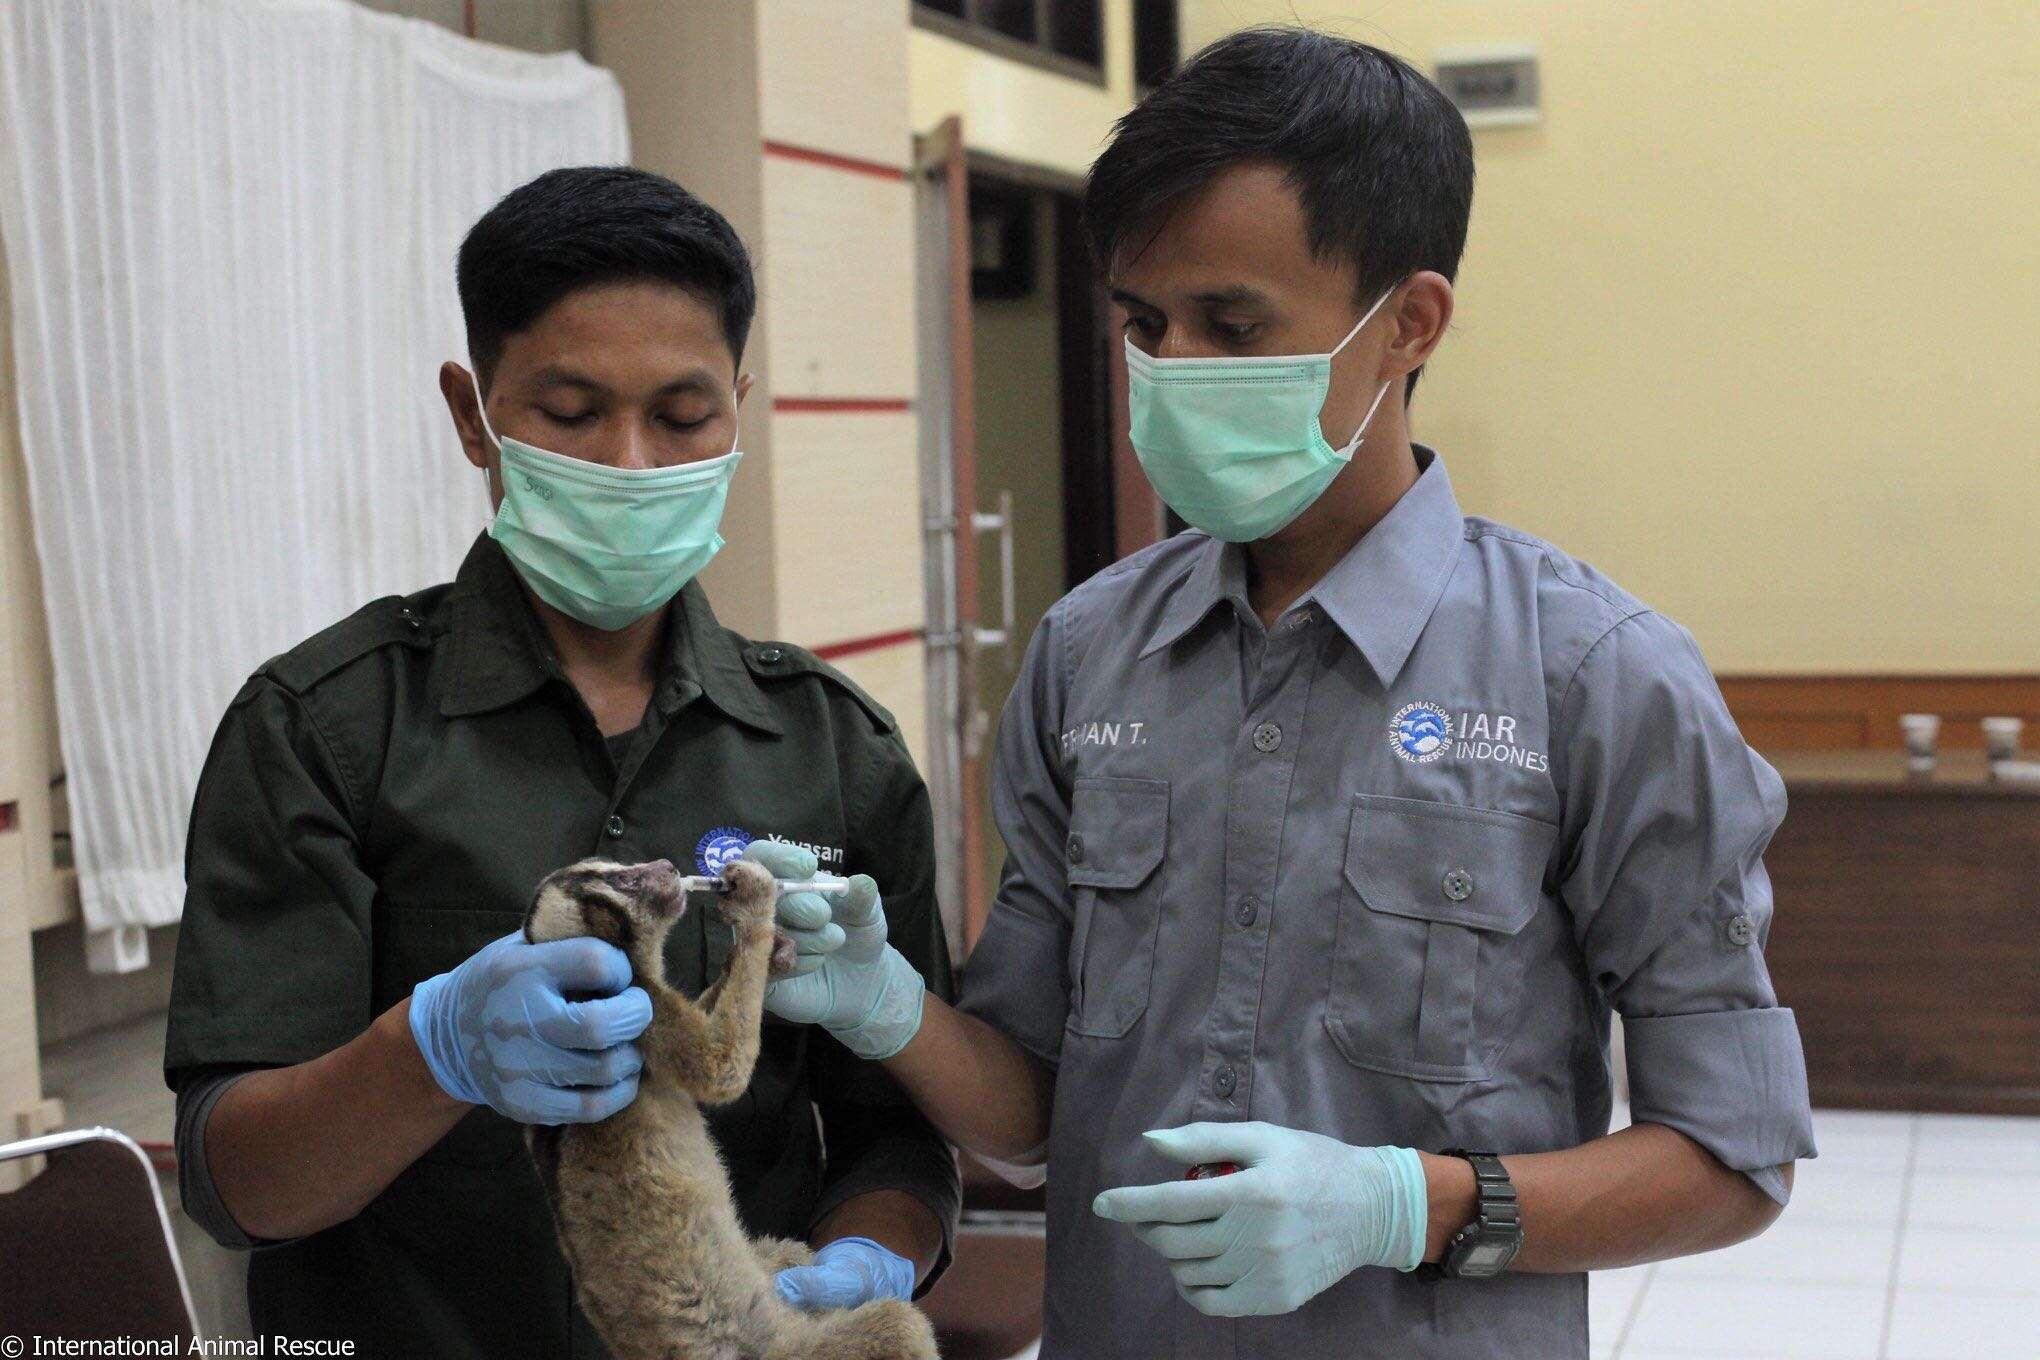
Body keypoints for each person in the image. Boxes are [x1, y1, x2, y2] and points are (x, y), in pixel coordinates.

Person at [745, 27, 1815, 1359]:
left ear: (1407, 325)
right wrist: (887, 1004)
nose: (1175, 365)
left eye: (1233, 325)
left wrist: (1401, 1203)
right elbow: (1028, 1120)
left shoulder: (1592, 679)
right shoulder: (1088, 656)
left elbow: (1732, 1158)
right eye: (1145, 324)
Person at [163, 166, 959, 1358]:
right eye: (572, 413)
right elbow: (238, 1180)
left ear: (739, 408)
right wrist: (430, 1050)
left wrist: (866, 1260)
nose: (632, 463)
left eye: (682, 416)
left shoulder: (832, 746)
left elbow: (900, 1136)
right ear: (472, 411)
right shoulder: (326, 729)